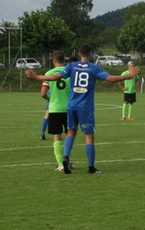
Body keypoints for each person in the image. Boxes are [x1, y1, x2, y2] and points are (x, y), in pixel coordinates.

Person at [25, 45, 137, 174]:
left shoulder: (72, 66)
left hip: (71, 106)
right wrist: (128, 75)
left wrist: (36, 77)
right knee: (88, 136)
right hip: (85, 107)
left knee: (71, 133)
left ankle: (65, 158)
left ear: (79, 54)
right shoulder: (93, 68)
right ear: (90, 54)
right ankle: (91, 167)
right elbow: (110, 79)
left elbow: (55, 77)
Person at [40, 51, 69, 172]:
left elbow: (42, 94)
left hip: (54, 109)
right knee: (69, 136)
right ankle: (68, 161)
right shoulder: (70, 72)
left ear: (53, 60)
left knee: (57, 137)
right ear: (64, 60)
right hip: (68, 108)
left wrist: (50, 99)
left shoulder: (48, 74)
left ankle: (61, 165)